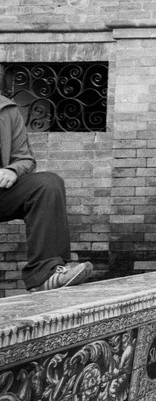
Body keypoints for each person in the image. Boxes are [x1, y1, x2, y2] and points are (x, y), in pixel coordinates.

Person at [0, 96, 93, 292]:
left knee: (48, 184)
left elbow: (24, 158)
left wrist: (12, 170)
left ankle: (47, 274)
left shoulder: (6, 109)